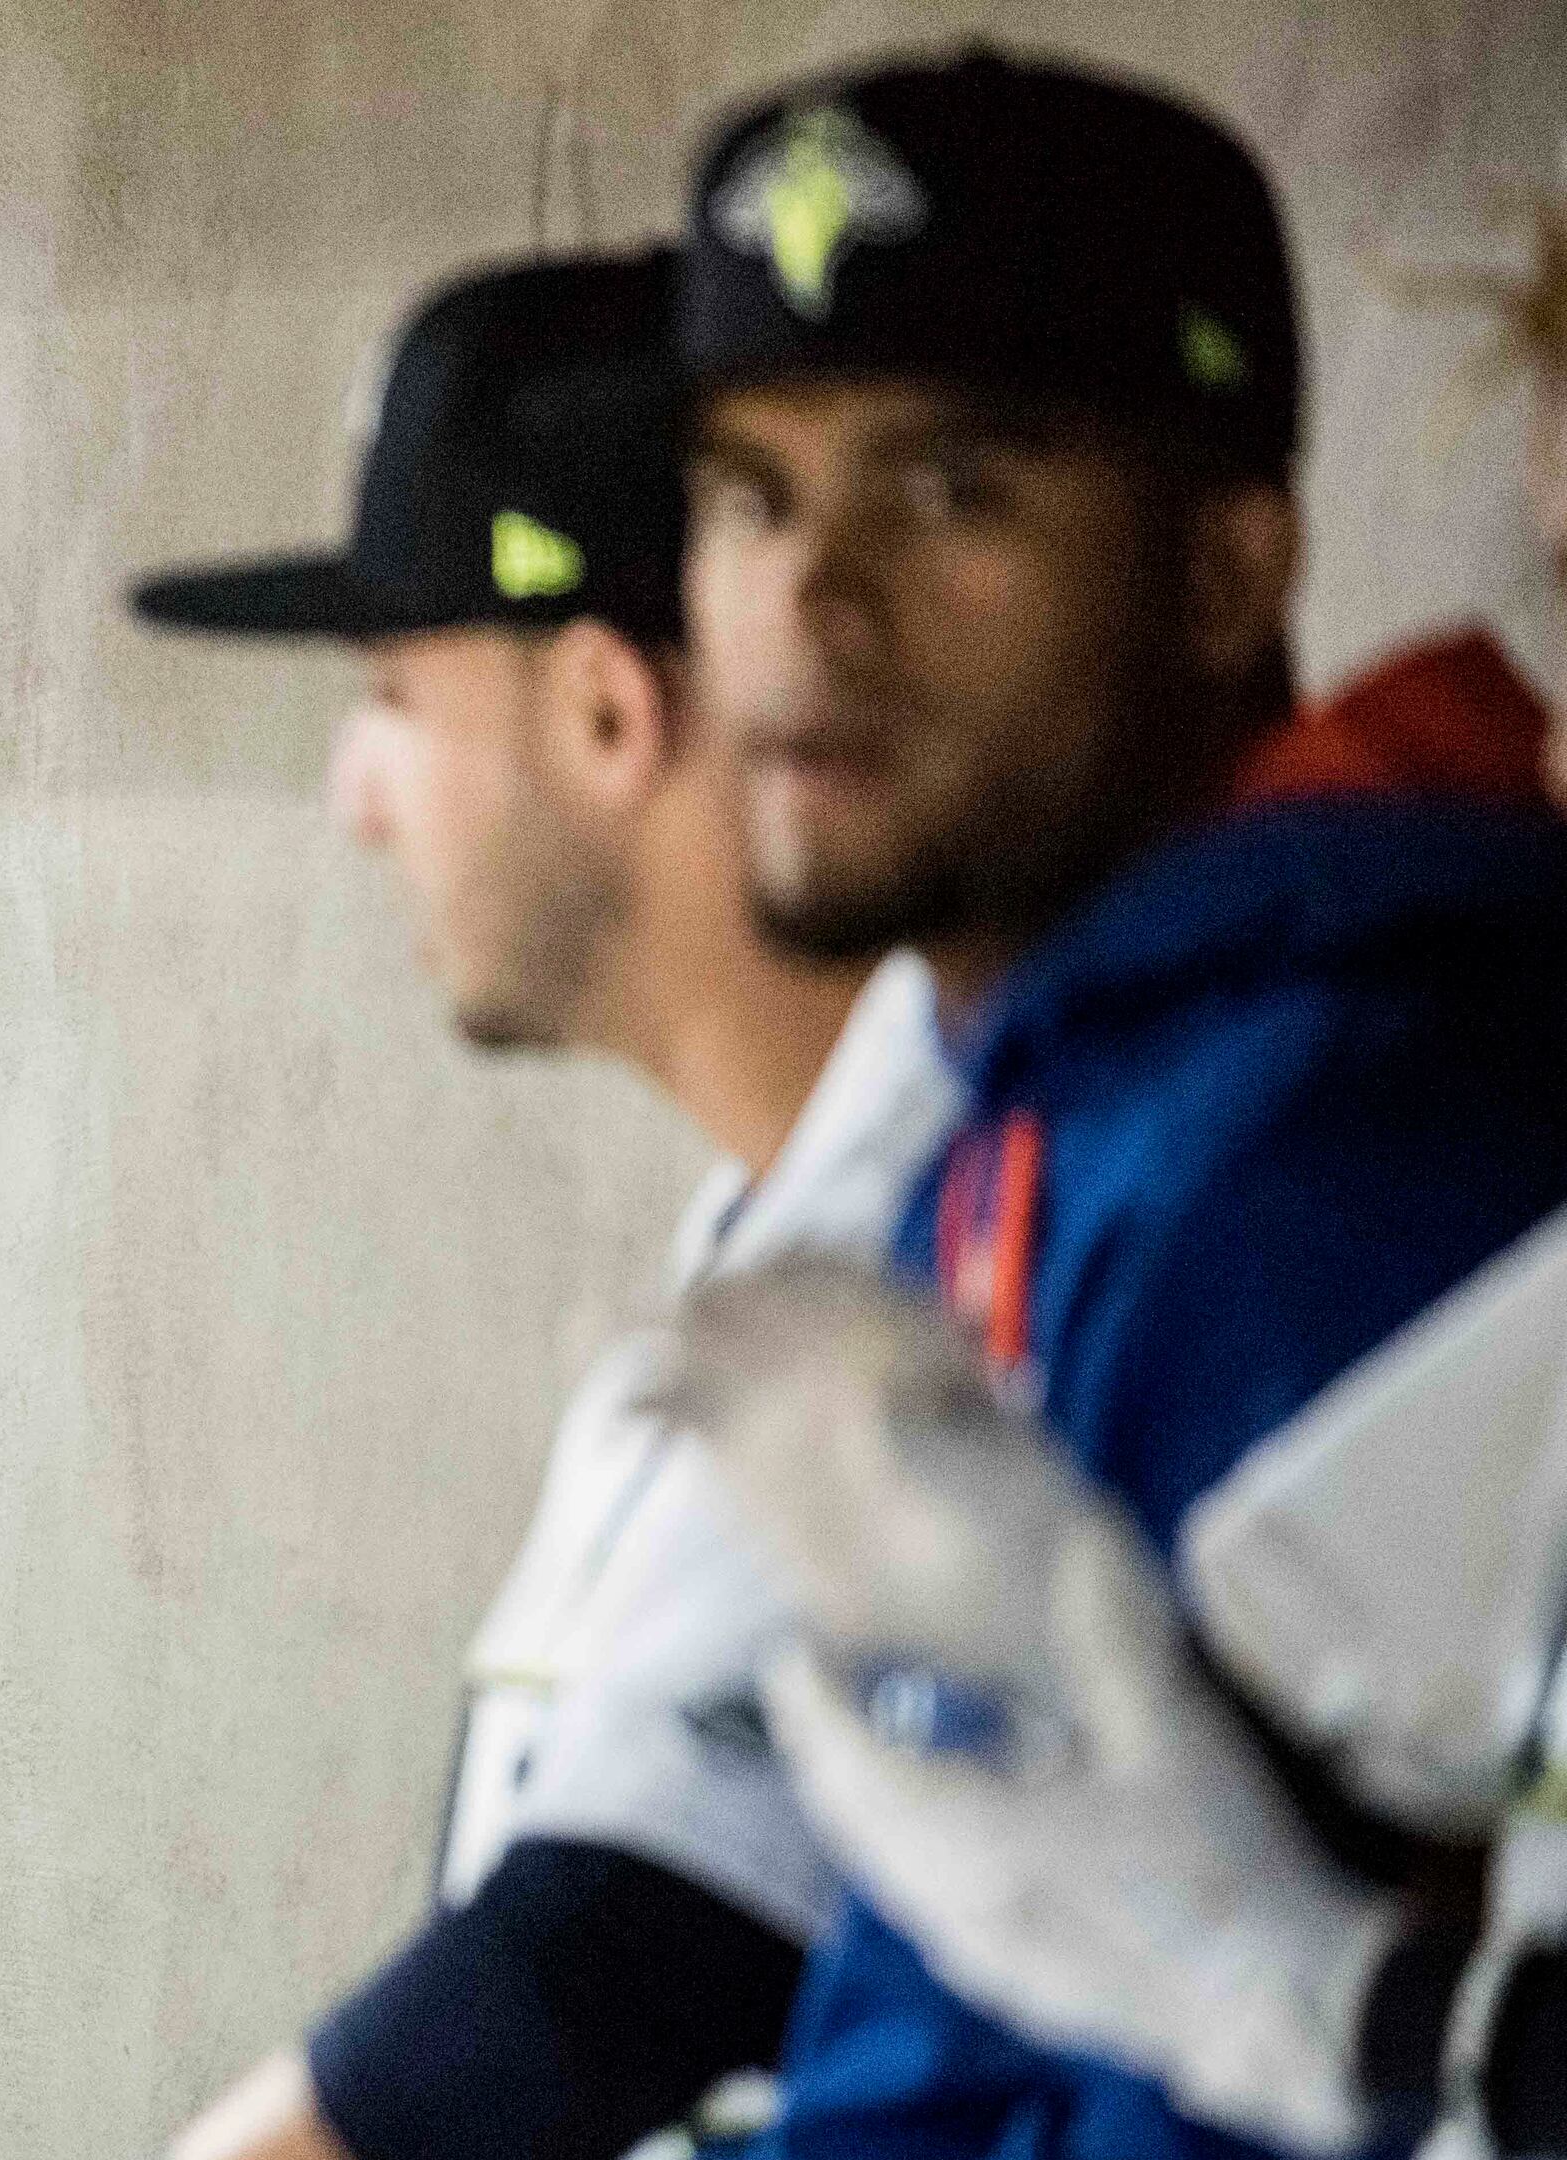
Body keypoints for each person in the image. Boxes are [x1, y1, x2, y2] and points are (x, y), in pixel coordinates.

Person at [665, 46, 1567, 2160]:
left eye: (956, 486)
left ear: (1229, 575)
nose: (814, 595)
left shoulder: (1332, 1134)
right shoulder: (1075, 1086)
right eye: (745, 493)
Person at [125, 252, 960, 2160]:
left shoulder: (949, 1221)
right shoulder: (775, 1220)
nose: (356, 794)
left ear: (604, 711)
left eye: (393, 695)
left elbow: (598, 1979)